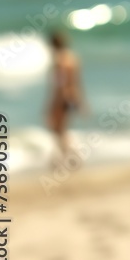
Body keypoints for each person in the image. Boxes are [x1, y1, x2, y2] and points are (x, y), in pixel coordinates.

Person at [45, 29, 87, 166]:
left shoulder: (59, 61)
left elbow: (60, 83)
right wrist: (81, 101)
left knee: (57, 129)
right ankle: (68, 157)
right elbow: (77, 83)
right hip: (72, 96)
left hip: (62, 97)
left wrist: (54, 101)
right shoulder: (73, 59)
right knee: (61, 129)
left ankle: (71, 157)